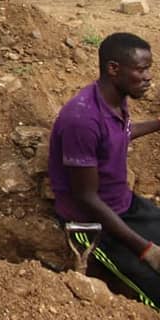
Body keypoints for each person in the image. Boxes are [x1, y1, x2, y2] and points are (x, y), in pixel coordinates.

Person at [49, 32, 160, 307]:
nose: (148, 77)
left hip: (124, 204)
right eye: (141, 69)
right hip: (93, 225)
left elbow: (119, 134)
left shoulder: (114, 98)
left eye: (149, 69)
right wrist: (146, 250)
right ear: (114, 69)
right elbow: (86, 197)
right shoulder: (82, 120)